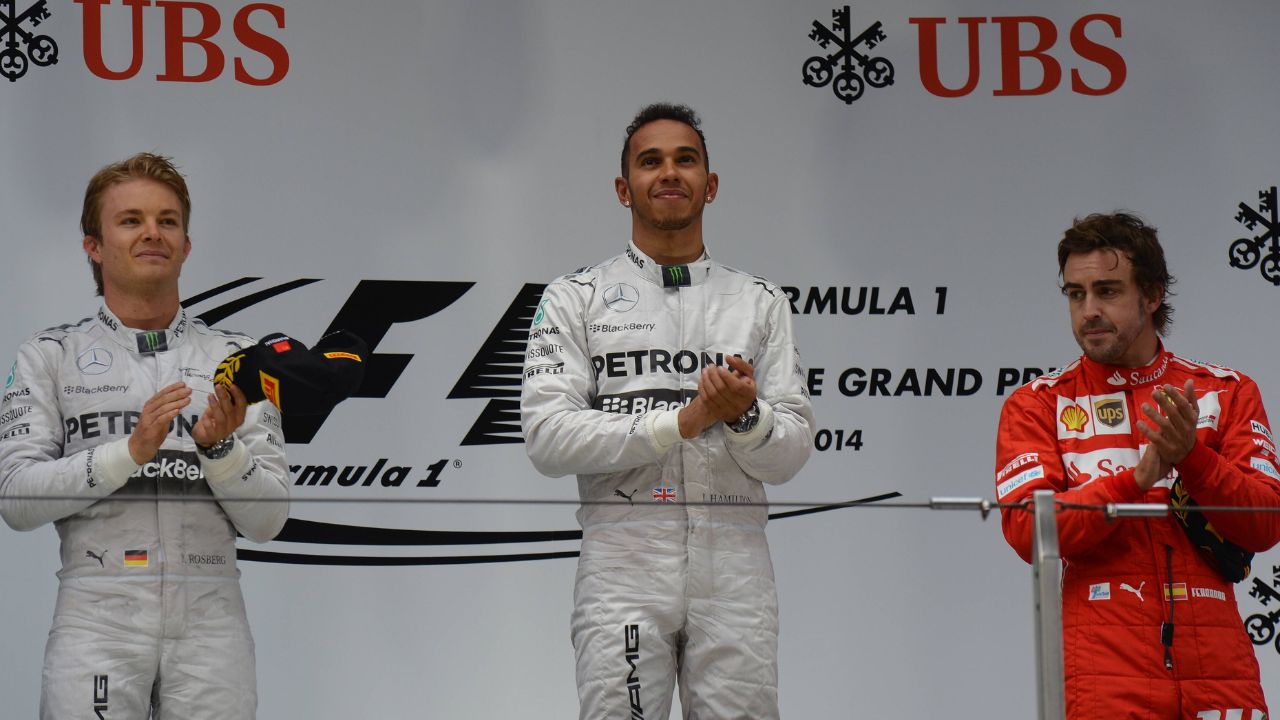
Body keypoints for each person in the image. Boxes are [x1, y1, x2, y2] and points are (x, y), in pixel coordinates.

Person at [520, 103, 814, 719]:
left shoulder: (760, 302)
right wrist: (681, 422)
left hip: (735, 565)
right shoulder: (575, 297)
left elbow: (790, 453)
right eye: (650, 161)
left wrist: (745, 418)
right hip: (622, 565)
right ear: (624, 189)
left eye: (686, 159)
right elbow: (548, 438)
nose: (669, 172)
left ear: (710, 184)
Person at [0, 152, 289, 719]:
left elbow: (269, 520)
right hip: (96, 620)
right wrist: (128, 452)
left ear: (186, 245)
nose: (152, 233)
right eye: (130, 220)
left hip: (212, 624)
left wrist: (221, 450)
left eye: (168, 220)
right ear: (94, 245)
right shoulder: (50, 356)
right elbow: (15, 499)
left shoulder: (236, 359)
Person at [995, 212, 1280, 719]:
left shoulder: (1226, 392)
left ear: (1151, 295)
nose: (1088, 311)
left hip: (1220, 670)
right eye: (1075, 294)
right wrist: (1137, 479)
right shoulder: (1037, 404)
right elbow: (1027, 531)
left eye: (1107, 291)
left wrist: (1192, 458)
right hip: (1104, 675)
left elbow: (1266, 524)